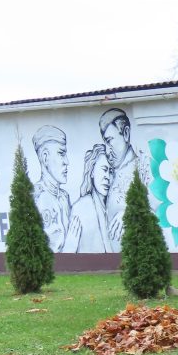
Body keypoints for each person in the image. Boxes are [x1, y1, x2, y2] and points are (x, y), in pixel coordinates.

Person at [32, 125, 79, 252]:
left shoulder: (64, 197)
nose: (67, 161)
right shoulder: (35, 198)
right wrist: (69, 248)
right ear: (45, 157)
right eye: (61, 153)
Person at [98, 108, 138, 240]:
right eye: (105, 143)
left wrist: (129, 213)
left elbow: (157, 212)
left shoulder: (142, 168)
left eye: (109, 141)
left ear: (125, 133)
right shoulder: (109, 171)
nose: (107, 151)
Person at [69, 144, 116, 253]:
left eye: (110, 171)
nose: (107, 177)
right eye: (104, 169)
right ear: (92, 172)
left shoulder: (115, 208)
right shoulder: (81, 207)